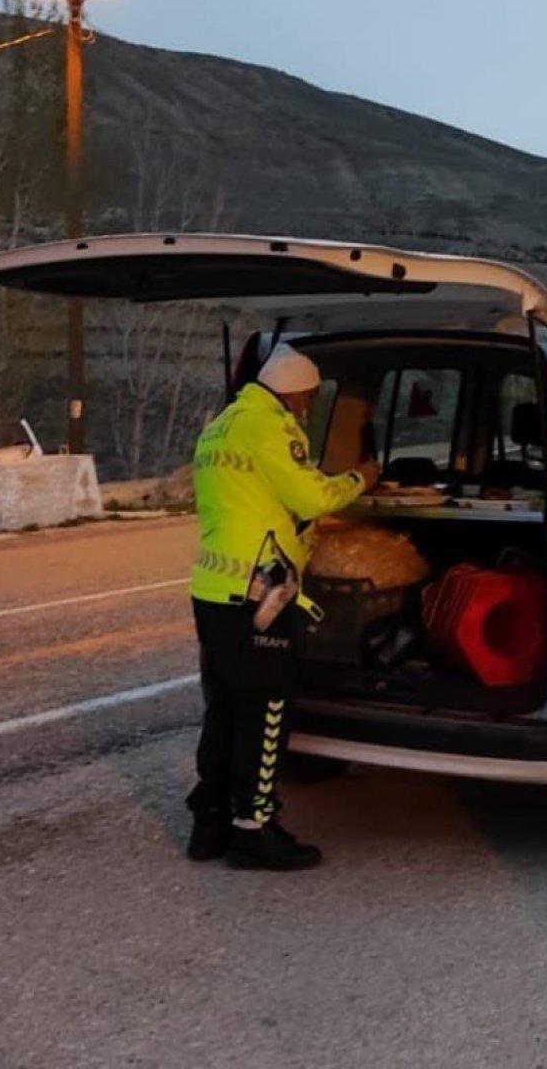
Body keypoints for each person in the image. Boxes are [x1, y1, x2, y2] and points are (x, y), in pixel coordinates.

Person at [186, 344, 379, 870]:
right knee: (266, 708)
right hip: (259, 595)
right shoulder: (272, 426)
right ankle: (254, 826)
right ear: (294, 388)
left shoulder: (223, 423)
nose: (307, 409)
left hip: (213, 586)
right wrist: (362, 479)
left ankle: (211, 823)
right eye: (309, 398)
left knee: (225, 706)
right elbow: (311, 496)